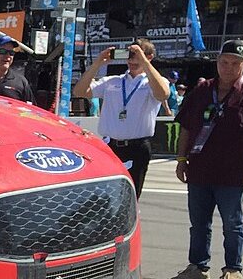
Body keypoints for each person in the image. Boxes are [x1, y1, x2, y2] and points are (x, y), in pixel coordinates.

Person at [169, 38, 243, 279]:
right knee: (199, 222)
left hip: (232, 171)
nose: (228, 68)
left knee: (232, 223)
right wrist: (181, 160)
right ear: (217, 62)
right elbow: (185, 127)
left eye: (235, 63)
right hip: (199, 169)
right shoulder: (203, 90)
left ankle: (232, 270)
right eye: (224, 62)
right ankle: (197, 267)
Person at [72, 38, 171, 197]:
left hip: (136, 147)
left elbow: (163, 94)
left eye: (137, 55)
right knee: (103, 195)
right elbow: (80, 91)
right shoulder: (113, 81)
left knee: (128, 195)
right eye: (130, 55)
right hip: (109, 145)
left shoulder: (152, 82)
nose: (132, 60)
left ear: (149, 57)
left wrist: (144, 62)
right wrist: (97, 64)